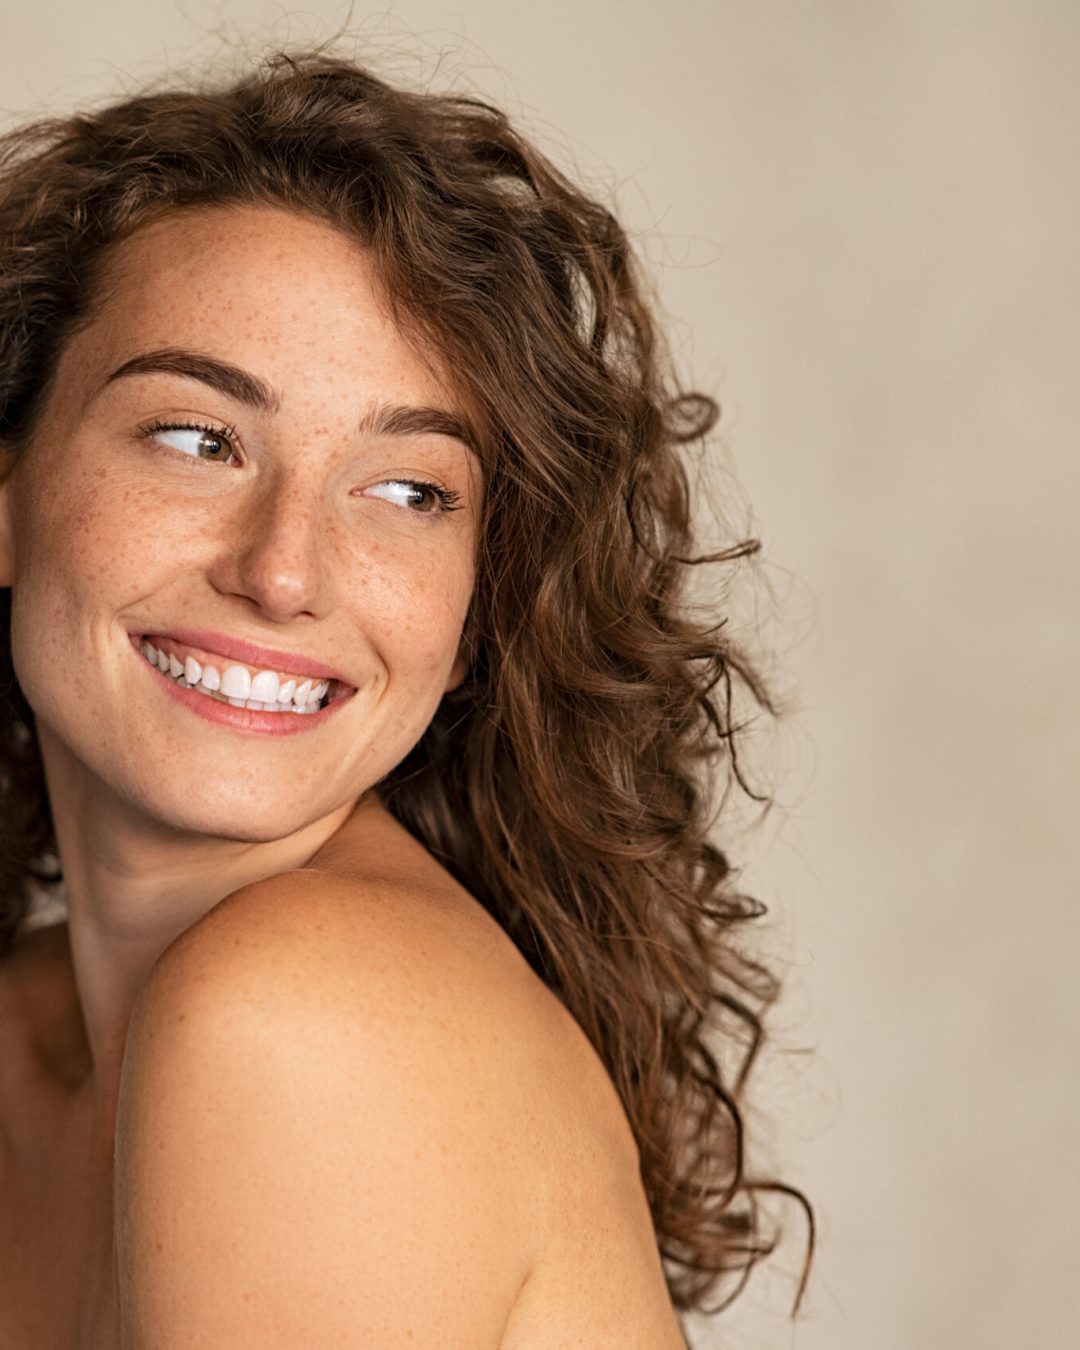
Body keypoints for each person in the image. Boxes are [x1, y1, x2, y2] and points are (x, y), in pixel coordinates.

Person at [0, 49, 810, 1346]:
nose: (280, 572)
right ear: (11, 487)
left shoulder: (301, 1016)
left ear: (479, 591)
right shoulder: (31, 1023)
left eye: (406, 490)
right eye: (200, 439)